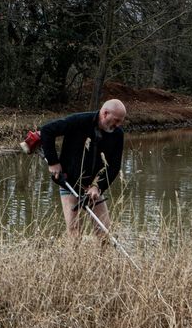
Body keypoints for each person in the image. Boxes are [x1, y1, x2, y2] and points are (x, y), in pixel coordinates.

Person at [25, 99, 126, 237]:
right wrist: (53, 162)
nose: (118, 125)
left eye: (121, 121)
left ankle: (103, 258)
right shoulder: (79, 121)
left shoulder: (117, 134)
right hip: (69, 182)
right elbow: (47, 130)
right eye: (116, 120)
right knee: (74, 230)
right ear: (105, 113)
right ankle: (73, 258)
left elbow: (114, 166)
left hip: (93, 187)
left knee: (105, 233)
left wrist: (98, 187)